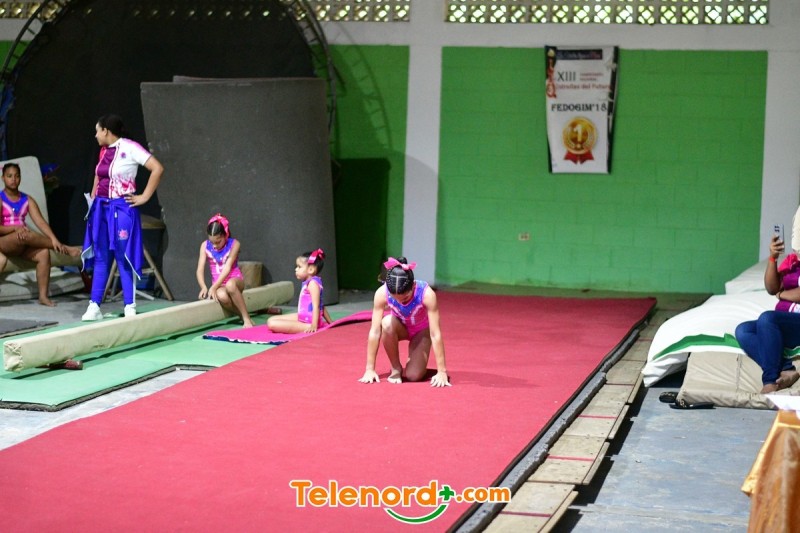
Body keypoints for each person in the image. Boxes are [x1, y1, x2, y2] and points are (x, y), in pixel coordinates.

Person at [81, 114, 164, 321]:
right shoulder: (103, 150)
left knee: (122, 255)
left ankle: (129, 305)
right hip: (101, 209)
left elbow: (157, 168)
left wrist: (144, 197)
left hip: (122, 208)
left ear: (106, 131)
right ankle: (94, 305)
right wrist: (93, 199)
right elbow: (98, 175)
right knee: (101, 256)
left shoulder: (130, 147)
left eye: (97, 130)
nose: (95, 135)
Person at [359, 256, 450, 387]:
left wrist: (442, 371)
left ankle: (417, 362)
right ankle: (396, 367)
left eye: (405, 298)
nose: (401, 302)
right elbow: (375, 331)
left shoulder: (426, 294)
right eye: (395, 298)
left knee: (413, 376)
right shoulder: (382, 293)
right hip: (399, 327)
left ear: (413, 286)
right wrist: (369, 369)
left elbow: (435, 334)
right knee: (386, 323)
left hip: (421, 332)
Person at [0, 162, 82, 306]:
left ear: (20, 178)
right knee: (25, 235)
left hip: (21, 243)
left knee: (43, 253)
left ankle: (43, 297)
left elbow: (41, 222)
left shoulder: (27, 199)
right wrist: (14, 228)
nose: (13, 179)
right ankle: (64, 248)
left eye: (17, 176)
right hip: (5, 242)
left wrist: (53, 238)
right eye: (9, 176)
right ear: (3, 178)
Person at [735, 233, 800, 393]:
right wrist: (773, 258)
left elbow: (782, 293)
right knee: (743, 330)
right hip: (786, 323)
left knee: (767, 318)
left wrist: (782, 294)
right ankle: (786, 368)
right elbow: (772, 288)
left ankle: (770, 380)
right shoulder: (793, 261)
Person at [196, 213, 255, 328]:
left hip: (235, 280)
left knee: (230, 285)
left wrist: (214, 287)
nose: (214, 246)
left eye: (218, 241)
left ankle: (246, 318)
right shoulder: (204, 246)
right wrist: (203, 286)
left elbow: (228, 267)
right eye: (212, 242)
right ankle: (242, 316)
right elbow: (200, 269)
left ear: (226, 235)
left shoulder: (234, 244)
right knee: (222, 297)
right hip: (219, 285)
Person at [267, 248, 332, 333]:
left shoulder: (313, 284)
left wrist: (314, 325)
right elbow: (321, 305)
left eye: (299, 267)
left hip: (309, 322)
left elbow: (317, 306)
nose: (296, 269)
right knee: (271, 319)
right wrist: (330, 321)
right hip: (303, 317)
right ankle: (303, 324)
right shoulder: (308, 282)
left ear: (311, 269)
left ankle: (307, 326)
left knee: (272, 324)